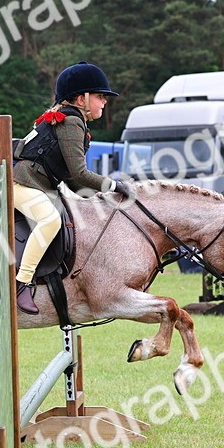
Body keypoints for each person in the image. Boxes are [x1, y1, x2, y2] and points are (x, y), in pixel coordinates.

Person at [12, 61, 132, 314]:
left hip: (35, 185)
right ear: (81, 99)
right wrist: (113, 184)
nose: (104, 102)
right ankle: (21, 283)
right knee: (50, 220)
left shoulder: (71, 120)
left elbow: (70, 179)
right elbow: (79, 173)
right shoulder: (71, 122)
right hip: (21, 184)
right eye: (100, 97)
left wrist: (98, 196)